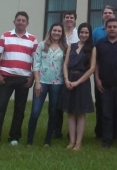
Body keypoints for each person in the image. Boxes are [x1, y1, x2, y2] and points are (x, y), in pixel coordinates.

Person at [0, 11, 38, 148]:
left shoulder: (32, 39)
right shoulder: (5, 35)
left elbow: (36, 59)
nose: (20, 22)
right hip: (6, 78)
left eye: (23, 20)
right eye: (18, 20)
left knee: (19, 110)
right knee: (0, 108)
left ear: (27, 23)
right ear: (14, 22)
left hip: (24, 80)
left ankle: (14, 137)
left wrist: (32, 77)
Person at [27, 23, 67, 147]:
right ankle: (29, 140)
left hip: (57, 84)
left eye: (59, 31)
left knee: (53, 112)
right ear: (50, 31)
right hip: (42, 82)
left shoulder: (65, 47)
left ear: (62, 33)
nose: (56, 33)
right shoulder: (42, 45)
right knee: (35, 111)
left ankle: (47, 141)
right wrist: (37, 83)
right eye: (54, 30)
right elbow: (36, 64)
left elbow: (66, 66)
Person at [95, 18, 117, 149]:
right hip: (105, 84)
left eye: (114, 27)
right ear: (105, 29)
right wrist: (97, 79)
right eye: (109, 27)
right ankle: (107, 140)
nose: (112, 29)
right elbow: (96, 63)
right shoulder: (100, 43)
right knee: (106, 114)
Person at [92, 5, 117, 138]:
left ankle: (116, 132)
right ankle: (100, 132)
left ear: (114, 15)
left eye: (110, 13)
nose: (108, 15)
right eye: (105, 13)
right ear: (102, 16)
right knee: (101, 105)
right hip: (102, 75)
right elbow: (95, 55)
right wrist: (97, 77)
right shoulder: (96, 32)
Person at [61, 22, 96, 150]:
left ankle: (78, 142)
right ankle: (71, 141)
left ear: (89, 34)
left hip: (82, 82)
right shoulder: (72, 46)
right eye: (82, 32)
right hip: (69, 80)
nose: (84, 35)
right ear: (79, 33)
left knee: (80, 113)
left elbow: (92, 69)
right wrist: (66, 79)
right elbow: (65, 64)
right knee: (70, 112)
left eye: (86, 32)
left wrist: (77, 82)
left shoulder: (92, 48)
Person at [53, 11, 79, 139]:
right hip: (57, 70)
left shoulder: (78, 35)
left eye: (71, 17)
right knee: (57, 102)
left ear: (75, 20)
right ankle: (56, 130)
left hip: (73, 72)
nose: (69, 19)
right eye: (67, 17)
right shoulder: (58, 32)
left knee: (72, 102)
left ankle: (72, 132)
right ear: (63, 19)